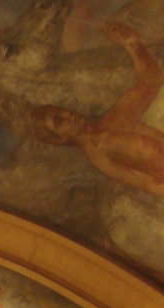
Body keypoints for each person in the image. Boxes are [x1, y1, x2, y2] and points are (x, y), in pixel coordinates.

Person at [30, 22, 164, 198]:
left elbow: (150, 82)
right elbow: (148, 184)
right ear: (60, 138)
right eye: (59, 120)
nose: (68, 114)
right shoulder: (100, 156)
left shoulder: (114, 119)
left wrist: (133, 45)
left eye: (61, 111)